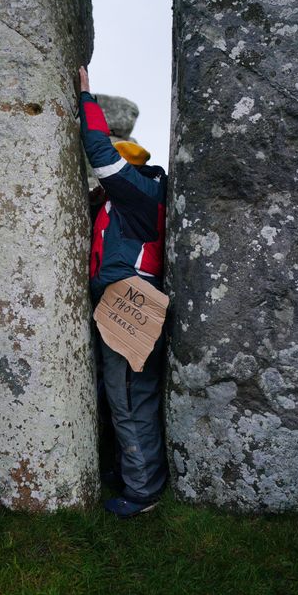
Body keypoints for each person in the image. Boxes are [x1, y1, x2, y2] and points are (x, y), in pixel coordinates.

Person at [78, 66, 168, 518]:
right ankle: (129, 472)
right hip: (122, 300)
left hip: (130, 302)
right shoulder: (128, 198)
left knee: (130, 397)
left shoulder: (141, 190)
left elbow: (96, 147)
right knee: (121, 393)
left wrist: (86, 97)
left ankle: (143, 494)